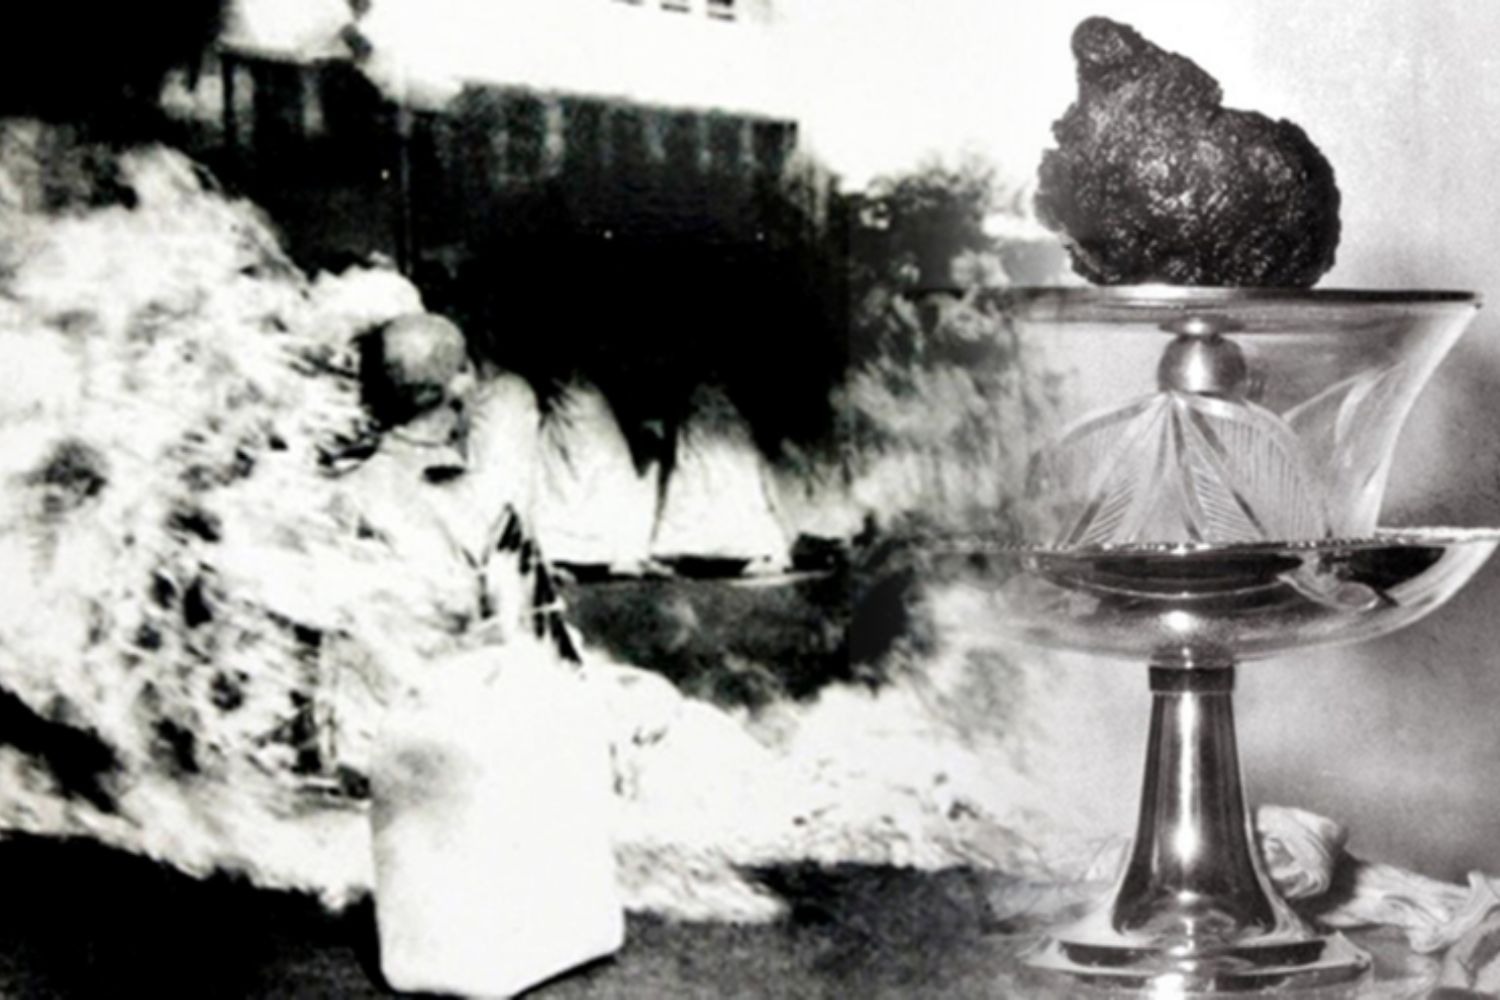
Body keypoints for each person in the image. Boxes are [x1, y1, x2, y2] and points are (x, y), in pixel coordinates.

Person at [345, 312, 623, 998]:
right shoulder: (480, 500)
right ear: (461, 386)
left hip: (384, 728)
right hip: (467, 721)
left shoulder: (345, 494)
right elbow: (536, 628)